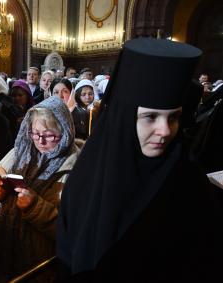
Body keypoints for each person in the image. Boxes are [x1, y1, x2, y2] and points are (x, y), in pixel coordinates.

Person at [57, 38, 223, 282]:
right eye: (150, 117)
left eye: (174, 118)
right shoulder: (86, 177)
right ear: (125, 119)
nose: (165, 130)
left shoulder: (191, 183)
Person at [0, 96, 82, 282]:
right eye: (35, 133)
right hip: (3, 250)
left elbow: (73, 229)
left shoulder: (76, 166)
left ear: (65, 132)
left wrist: (34, 207)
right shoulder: (20, 151)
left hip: (42, 264)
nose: (40, 141)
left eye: (49, 135)